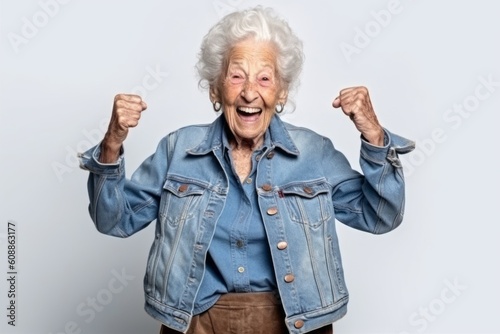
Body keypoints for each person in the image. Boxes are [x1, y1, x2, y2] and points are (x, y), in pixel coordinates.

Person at [79, 6, 414, 334]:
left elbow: (381, 215)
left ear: (281, 93)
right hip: (196, 324)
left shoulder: (315, 153)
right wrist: (111, 144)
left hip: (295, 325)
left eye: (265, 78)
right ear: (215, 89)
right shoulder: (177, 149)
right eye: (236, 75)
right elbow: (114, 220)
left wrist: (374, 135)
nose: (250, 92)